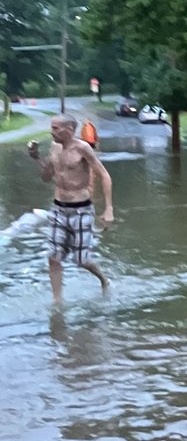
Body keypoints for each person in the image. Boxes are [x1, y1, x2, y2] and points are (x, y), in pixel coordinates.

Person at [28, 113, 114, 301]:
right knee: (53, 257)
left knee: (81, 260)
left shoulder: (82, 149)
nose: (52, 132)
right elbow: (46, 177)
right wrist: (36, 158)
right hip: (58, 208)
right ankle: (57, 302)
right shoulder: (54, 147)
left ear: (70, 130)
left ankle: (104, 279)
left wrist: (109, 209)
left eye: (56, 128)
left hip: (81, 209)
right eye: (52, 128)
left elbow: (105, 175)